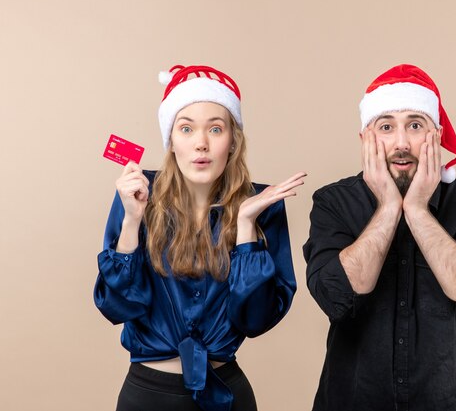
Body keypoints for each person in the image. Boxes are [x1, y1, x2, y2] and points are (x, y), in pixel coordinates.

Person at [95, 64, 305, 411]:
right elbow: (117, 307)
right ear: (171, 140)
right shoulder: (137, 196)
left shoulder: (262, 205)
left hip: (227, 394)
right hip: (148, 397)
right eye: (187, 128)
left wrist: (246, 228)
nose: (201, 143)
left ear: (233, 140)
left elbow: (255, 320)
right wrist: (132, 222)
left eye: (216, 128)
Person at [303, 64, 456, 411]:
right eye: (386, 127)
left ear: (437, 134)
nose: (401, 143)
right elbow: (335, 295)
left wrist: (416, 209)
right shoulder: (333, 202)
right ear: (365, 139)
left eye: (415, 125)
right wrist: (387, 208)